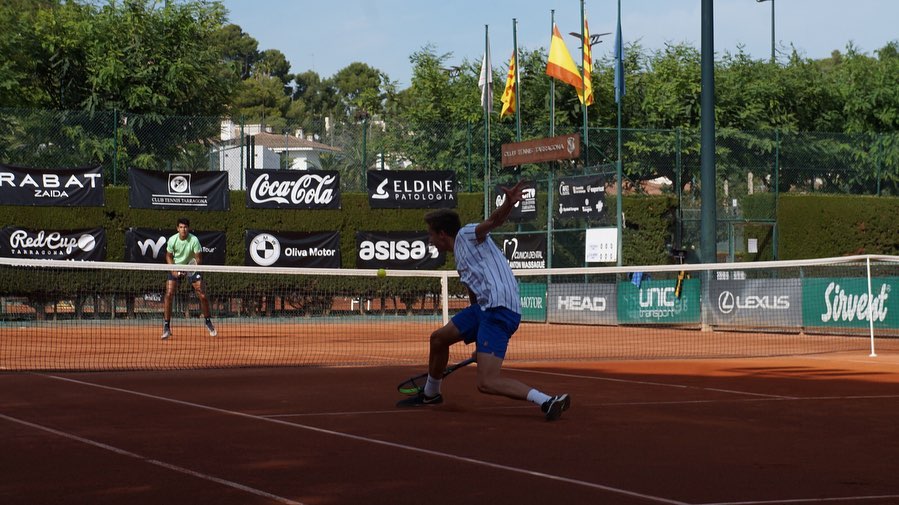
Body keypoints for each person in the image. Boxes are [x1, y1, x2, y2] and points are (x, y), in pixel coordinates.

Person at [396, 181, 570, 421]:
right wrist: (479, 339)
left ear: (442, 234)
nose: (430, 240)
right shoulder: (459, 258)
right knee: (438, 339)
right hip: (483, 309)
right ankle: (431, 394)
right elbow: (474, 294)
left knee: (487, 382)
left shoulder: (467, 235)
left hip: (500, 310)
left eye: (431, 235)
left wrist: (509, 203)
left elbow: (494, 221)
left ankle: (547, 400)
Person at [161, 217, 216, 340]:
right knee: (169, 294)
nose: (183, 229)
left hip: (192, 267)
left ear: (188, 228)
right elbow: (168, 256)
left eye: (185, 227)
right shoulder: (172, 240)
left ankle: (208, 322)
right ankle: (166, 327)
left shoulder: (194, 240)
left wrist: (190, 269)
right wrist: (173, 270)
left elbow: (198, 259)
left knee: (202, 294)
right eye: (181, 227)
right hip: (176, 266)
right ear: (177, 228)